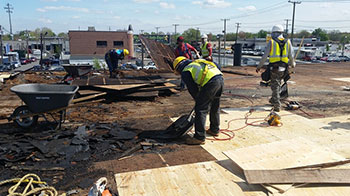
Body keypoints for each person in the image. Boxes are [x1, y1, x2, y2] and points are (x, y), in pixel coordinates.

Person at [173, 56, 224, 145]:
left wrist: (199, 100)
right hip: (220, 79)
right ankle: (214, 130)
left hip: (211, 83)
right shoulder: (199, 62)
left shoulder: (186, 71)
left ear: (178, 67)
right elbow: (217, 66)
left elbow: (193, 89)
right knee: (215, 106)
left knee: (201, 109)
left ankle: (199, 137)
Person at [256, 25, 295, 112]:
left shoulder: (272, 42)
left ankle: (277, 105)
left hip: (274, 68)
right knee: (276, 84)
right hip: (284, 68)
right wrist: (292, 65)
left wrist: (259, 66)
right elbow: (291, 55)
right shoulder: (288, 42)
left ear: (274, 33)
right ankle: (274, 99)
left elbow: (265, 56)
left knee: (275, 85)